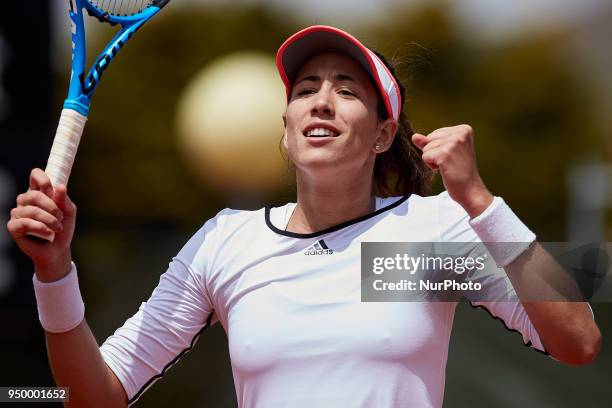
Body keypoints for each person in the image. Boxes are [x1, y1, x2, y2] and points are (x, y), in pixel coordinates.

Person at [7, 25, 601, 408]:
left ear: (383, 135)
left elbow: (577, 340)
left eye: (347, 89)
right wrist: (54, 273)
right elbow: (93, 397)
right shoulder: (226, 241)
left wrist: (479, 201)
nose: (320, 98)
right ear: (287, 131)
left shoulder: (431, 233)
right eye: (305, 88)